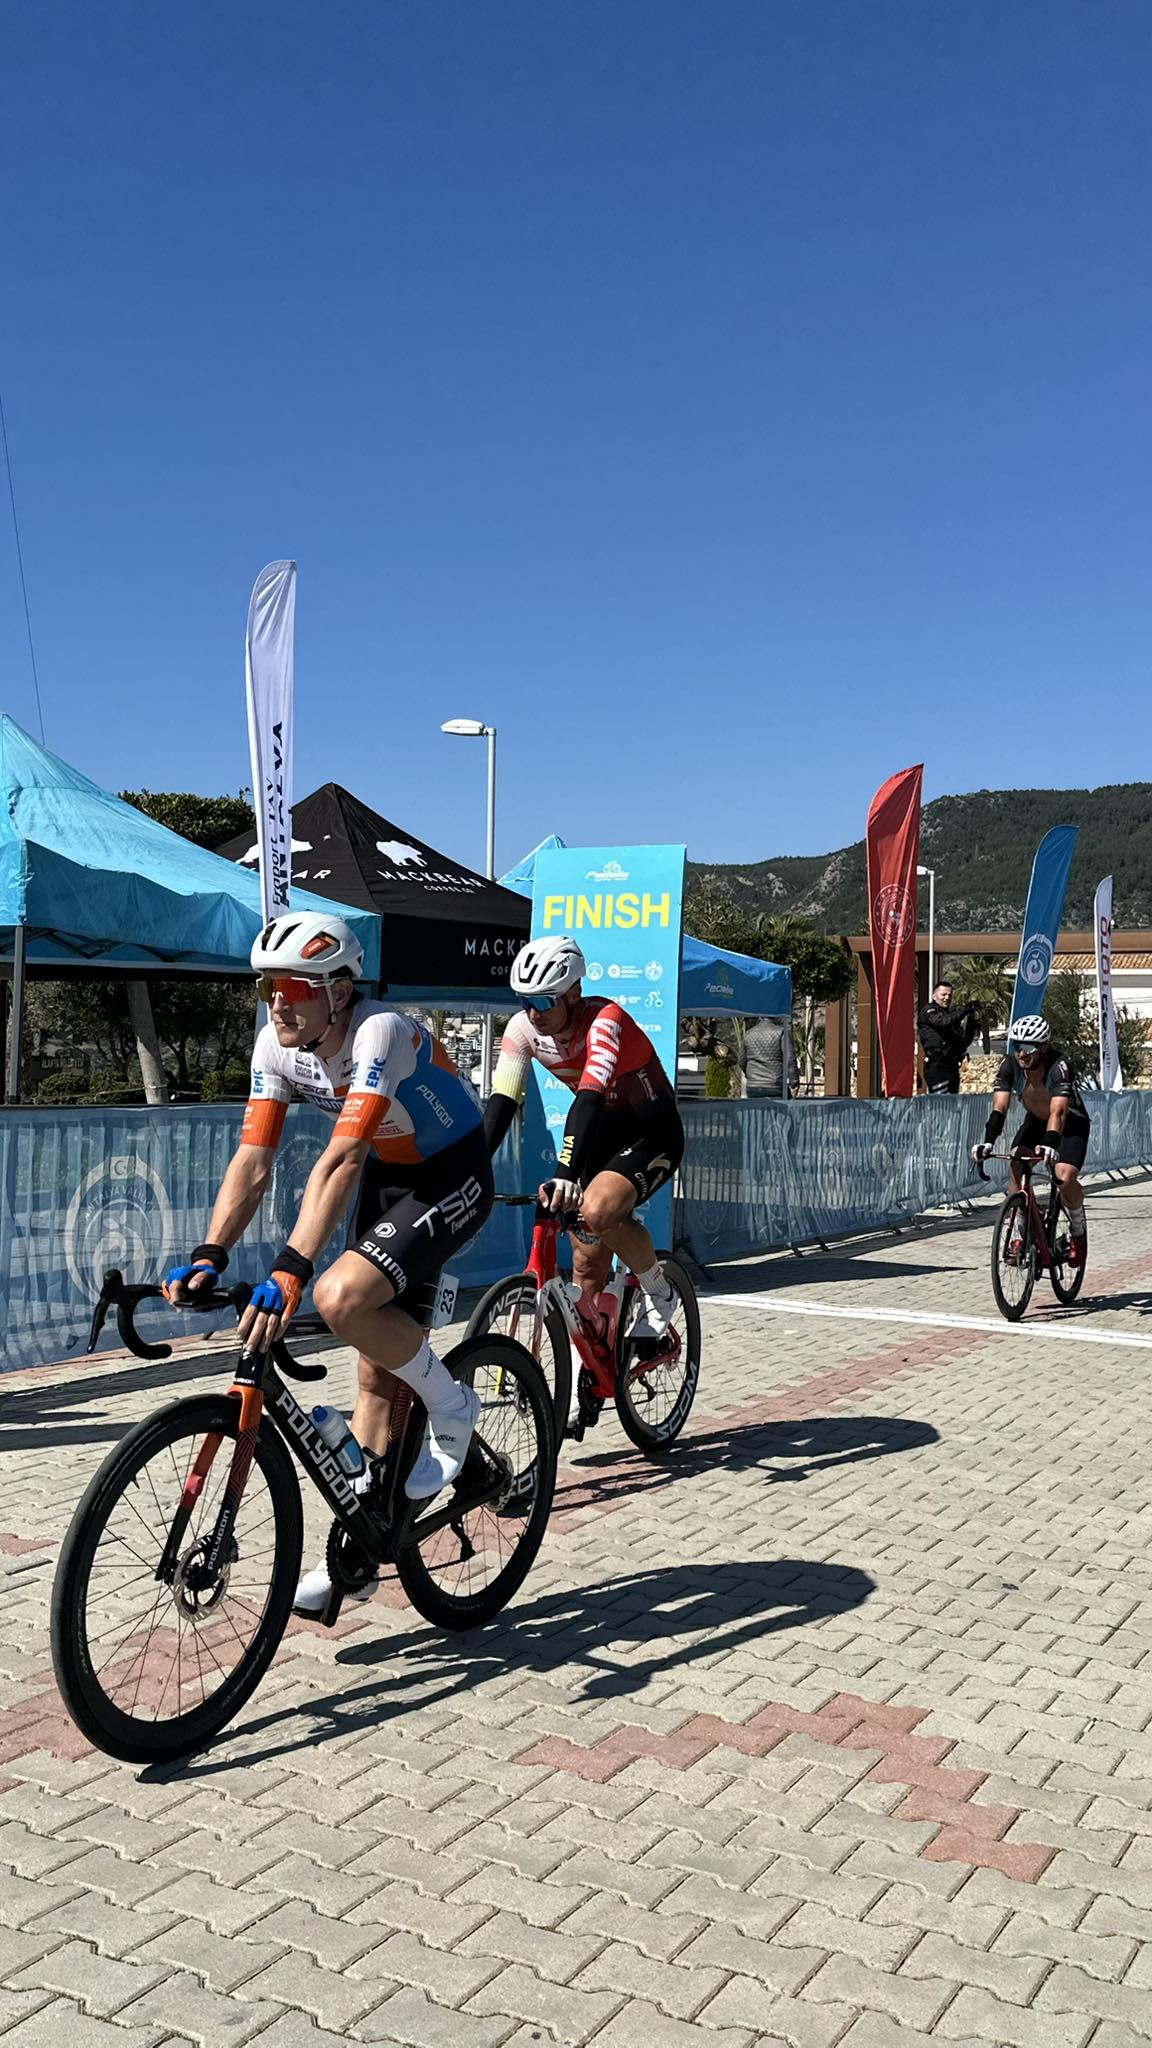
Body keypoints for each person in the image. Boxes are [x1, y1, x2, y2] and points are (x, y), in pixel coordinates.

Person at [162, 910, 493, 1615]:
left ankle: (453, 1403)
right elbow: (253, 1161)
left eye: (292, 987)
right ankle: (361, 1552)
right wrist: (209, 1253)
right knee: (372, 1370)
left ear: (339, 991)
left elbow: (341, 1157)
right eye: (267, 987)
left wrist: (292, 1267)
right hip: (390, 1175)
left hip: (452, 1172)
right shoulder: (274, 1046)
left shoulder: (380, 1031)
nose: (276, 1002)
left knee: (340, 1298)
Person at [483, 934, 685, 1375]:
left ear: (573, 992)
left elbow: (589, 1099)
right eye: (524, 1001)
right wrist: (474, 1167)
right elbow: (502, 1101)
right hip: (603, 1134)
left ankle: (659, 1289)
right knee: (585, 1264)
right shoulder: (521, 1029)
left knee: (596, 1209)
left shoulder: (605, 1021)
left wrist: (564, 1172)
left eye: (544, 1001)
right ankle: (586, 1369)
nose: (533, 1013)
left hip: (652, 1132)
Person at [971, 1013, 1089, 1264]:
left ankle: (1078, 1231)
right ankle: (1021, 1234)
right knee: (1016, 1161)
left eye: (1029, 1047)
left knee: (1064, 1176)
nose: (1022, 1053)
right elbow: (999, 1107)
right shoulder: (1009, 1065)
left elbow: (1058, 1111)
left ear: (1043, 1048)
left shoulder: (1059, 1066)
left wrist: (1051, 1142)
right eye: (1017, 1046)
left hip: (1069, 1124)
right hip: (1036, 1121)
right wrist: (988, 1141)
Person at [917, 981, 977, 1094]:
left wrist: (972, 1020)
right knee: (940, 1101)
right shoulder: (930, 1010)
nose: (947, 998)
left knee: (953, 1102)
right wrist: (964, 1010)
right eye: (943, 995)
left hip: (952, 1066)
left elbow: (963, 1041)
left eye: (950, 995)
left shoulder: (951, 1015)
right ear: (934, 996)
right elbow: (942, 1022)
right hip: (937, 1066)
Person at [738, 1014, 798, 1098]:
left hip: (753, 1086)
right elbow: (790, 1059)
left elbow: (741, 1061)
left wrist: (750, 1076)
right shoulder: (781, 1032)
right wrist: (794, 1083)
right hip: (775, 1085)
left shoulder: (748, 1034)